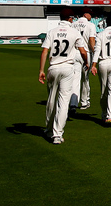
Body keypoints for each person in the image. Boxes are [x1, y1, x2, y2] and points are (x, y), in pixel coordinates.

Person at [39, 8, 90, 145]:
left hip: (53, 68)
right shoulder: (74, 32)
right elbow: (83, 51)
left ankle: (49, 130)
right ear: (70, 19)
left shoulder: (52, 32)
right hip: (68, 68)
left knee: (51, 100)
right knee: (63, 102)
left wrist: (41, 70)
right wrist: (86, 62)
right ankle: (57, 134)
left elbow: (44, 52)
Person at [70, 7, 98, 111]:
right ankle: (84, 101)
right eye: (90, 14)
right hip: (86, 53)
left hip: (75, 53)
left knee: (75, 79)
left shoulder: (73, 24)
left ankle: (73, 103)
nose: (91, 16)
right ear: (85, 14)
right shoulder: (90, 25)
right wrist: (94, 52)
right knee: (85, 79)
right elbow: (91, 40)